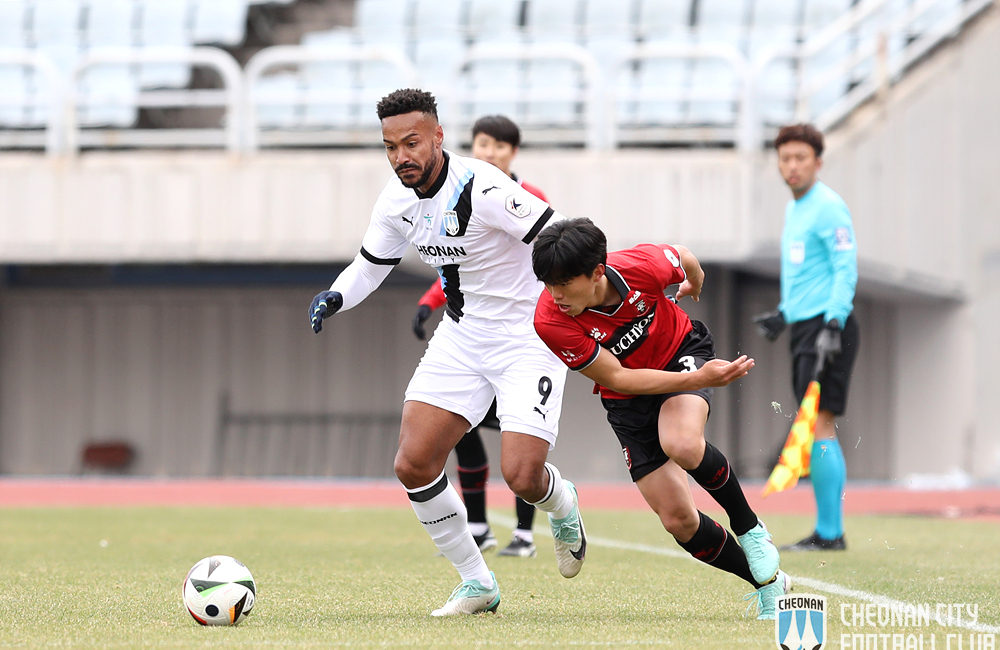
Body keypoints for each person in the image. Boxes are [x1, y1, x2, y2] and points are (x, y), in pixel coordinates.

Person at [309, 89, 586, 616]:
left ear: (438, 136)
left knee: (523, 477)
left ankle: (562, 501)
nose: (400, 157)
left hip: (528, 338)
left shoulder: (483, 185)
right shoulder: (395, 201)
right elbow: (370, 266)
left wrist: (600, 300)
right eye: (390, 147)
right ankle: (477, 583)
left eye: (411, 143)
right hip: (461, 337)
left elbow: (559, 237)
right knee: (413, 463)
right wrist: (337, 295)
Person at [531, 217, 790, 620]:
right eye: (548, 283)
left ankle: (750, 528)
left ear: (597, 272)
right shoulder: (550, 319)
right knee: (678, 520)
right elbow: (618, 377)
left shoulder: (642, 267)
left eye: (564, 283)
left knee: (681, 443)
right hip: (627, 397)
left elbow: (685, 258)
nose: (555, 294)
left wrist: (695, 283)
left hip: (680, 352)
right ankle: (769, 585)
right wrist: (700, 379)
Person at [411, 115, 545, 559]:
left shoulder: (528, 198)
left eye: (500, 146)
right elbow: (457, 265)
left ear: (514, 153)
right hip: (471, 338)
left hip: (519, 338)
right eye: (483, 144)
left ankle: (524, 533)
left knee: (520, 442)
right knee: (456, 428)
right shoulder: (454, 195)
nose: (490, 153)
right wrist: (429, 303)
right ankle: (479, 526)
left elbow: (554, 252)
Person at [752, 123, 859, 552]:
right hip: (806, 326)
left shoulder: (828, 207)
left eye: (800, 158)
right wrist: (785, 314)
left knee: (819, 422)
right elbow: (808, 276)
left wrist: (833, 323)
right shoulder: (795, 208)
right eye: (785, 158)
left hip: (827, 328)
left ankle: (830, 534)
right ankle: (828, 531)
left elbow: (844, 268)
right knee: (814, 423)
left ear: (818, 162)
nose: (792, 166)